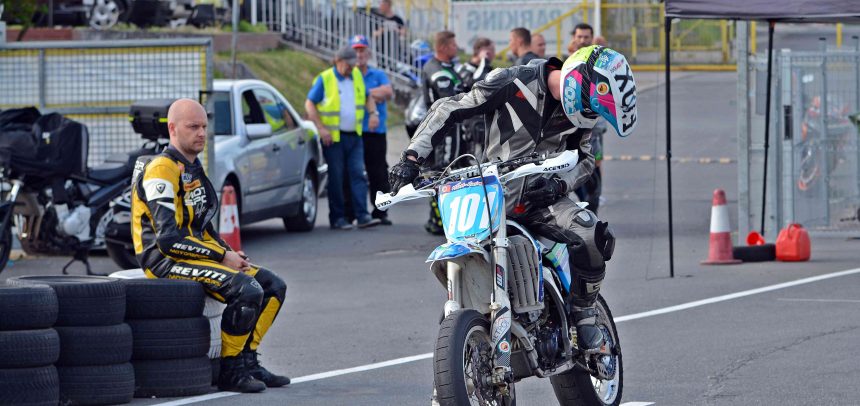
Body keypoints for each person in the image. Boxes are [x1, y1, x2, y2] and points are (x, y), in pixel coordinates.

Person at [388, 45, 638, 352]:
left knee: (592, 233)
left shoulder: (581, 118)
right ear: (579, 80)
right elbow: (450, 108)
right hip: (491, 194)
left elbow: (585, 160)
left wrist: (559, 185)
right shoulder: (514, 80)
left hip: (541, 199)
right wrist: (412, 157)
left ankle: (585, 315)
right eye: (591, 106)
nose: (590, 115)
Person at [131, 99, 290, 393]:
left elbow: (202, 224)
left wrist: (229, 252)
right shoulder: (161, 169)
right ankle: (231, 371)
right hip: (164, 260)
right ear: (172, 129)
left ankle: (248, 361)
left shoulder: (191, 165)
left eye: (204, 126)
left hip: (192, 253)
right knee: (247, 289)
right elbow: (168, 239)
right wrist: (221, 256)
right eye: (193, 127)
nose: (202, 133)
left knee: (273, 286)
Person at [305, 46, 381, 230]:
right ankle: (338, 217)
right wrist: (321, 129)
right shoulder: (326, 78)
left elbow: (367, 96)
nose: (351, 68)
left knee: (358, 175)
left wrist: (373, 113)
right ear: (338, 61)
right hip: (334, 138)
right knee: (337, 178)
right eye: (348, 65)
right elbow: (310, 104)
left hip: (354, 136)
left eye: (353, 65)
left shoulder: (356, 75)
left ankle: (362, 215)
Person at [419, 30, 464, 235]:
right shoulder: (436, 69)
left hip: (451, 127)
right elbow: (450, 100)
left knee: (451, 170)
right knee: (444, 172)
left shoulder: (447, 67)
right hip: (443, 127)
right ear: (444, 47)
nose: (457, 48)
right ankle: (439, 220)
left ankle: (439, 218)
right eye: (454, 45)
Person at [347, 34, 395, 225]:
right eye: (356, 50)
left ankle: (380, 211)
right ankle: (354, 212)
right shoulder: (347, 74)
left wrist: (364, 94)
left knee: (378, 172)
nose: (359, 54)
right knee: (356, 172)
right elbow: (351, 97)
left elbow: (388, 92)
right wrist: (373, 95)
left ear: (368, 52)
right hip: (355, 130)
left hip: (376, 131)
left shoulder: (377, 74)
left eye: (362, 50)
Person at [371, 0, 406, 69]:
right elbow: (374, 33)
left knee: (393, 68)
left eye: (382, 5)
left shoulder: (398, 19)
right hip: (381, 49)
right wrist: (383, 29)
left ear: (388, 5)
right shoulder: (378, 18)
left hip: (394, 50)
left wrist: (396, 30)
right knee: (381, 67)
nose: (380, 7)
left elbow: (404, 33)